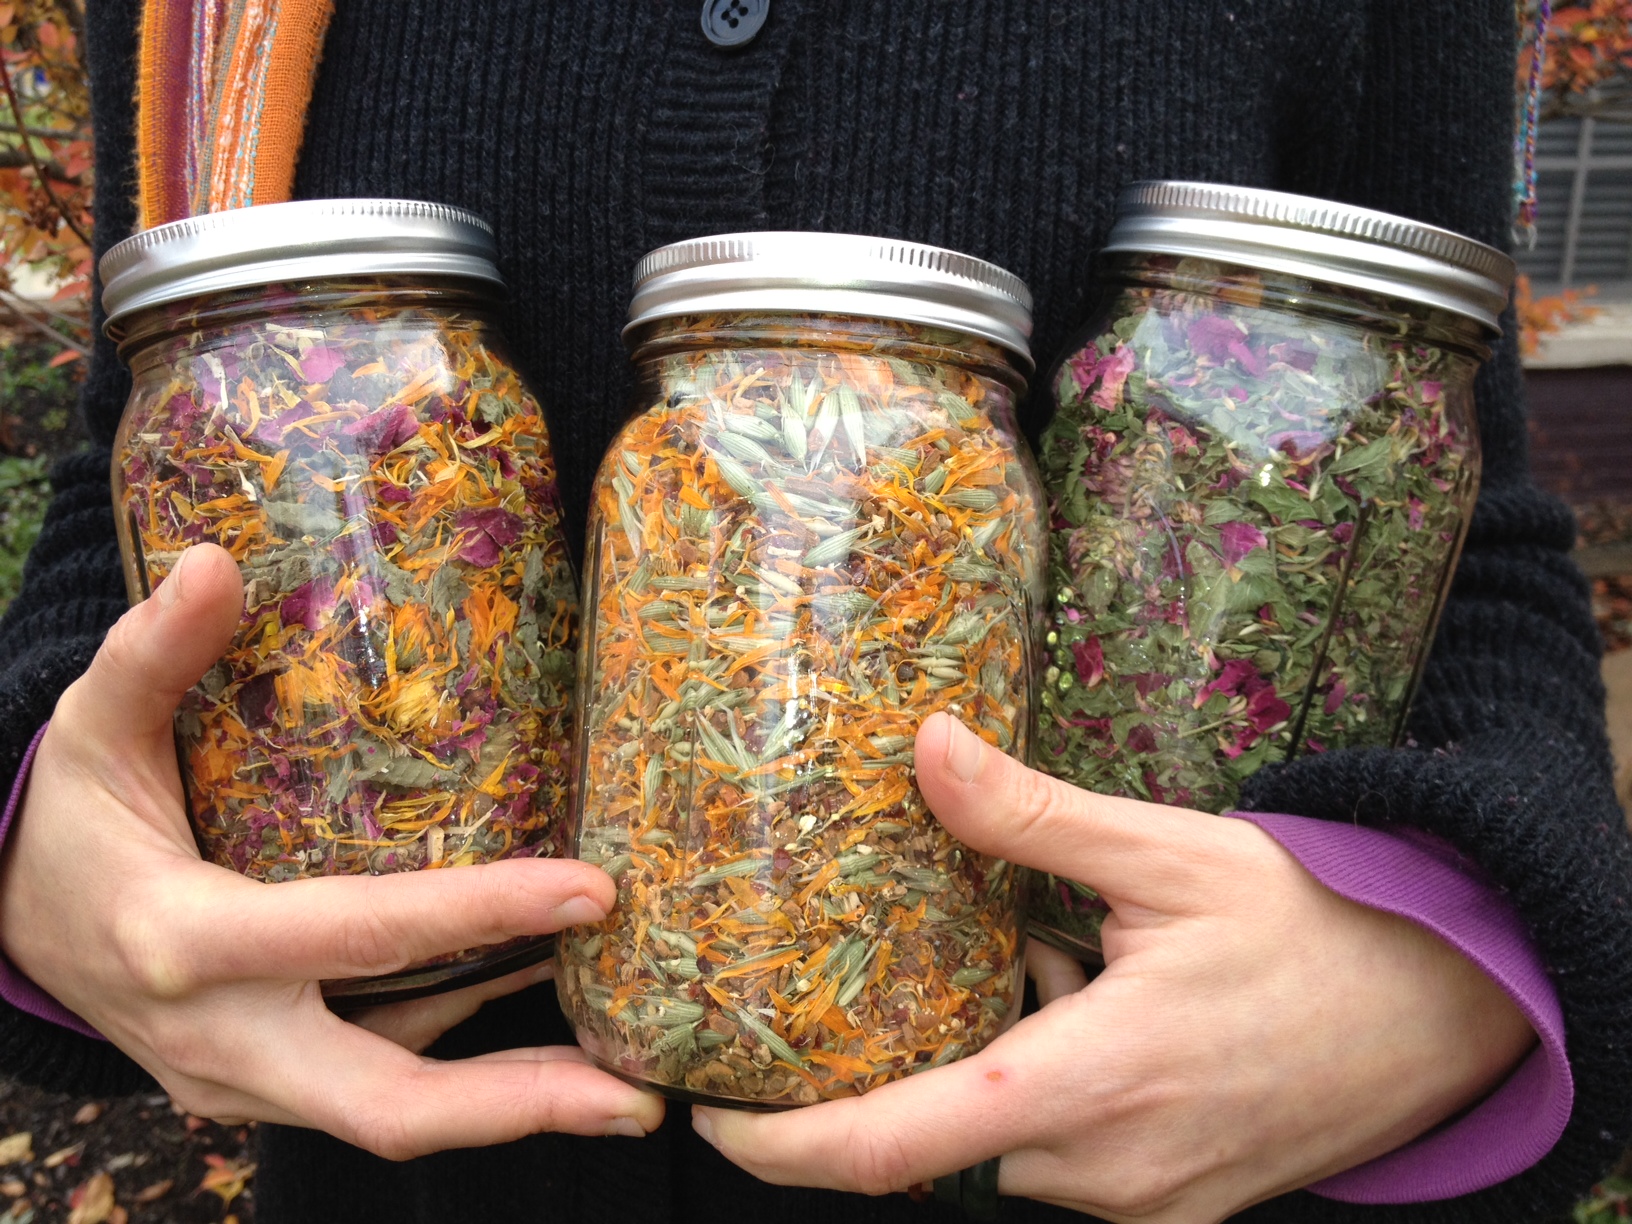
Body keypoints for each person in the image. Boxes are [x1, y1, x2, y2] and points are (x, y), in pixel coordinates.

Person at [0, 1, 1628, 1221]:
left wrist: (1444, 959)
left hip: (1165, 1166)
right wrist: (41, 848)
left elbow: (1459, 541)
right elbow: (138, 481)